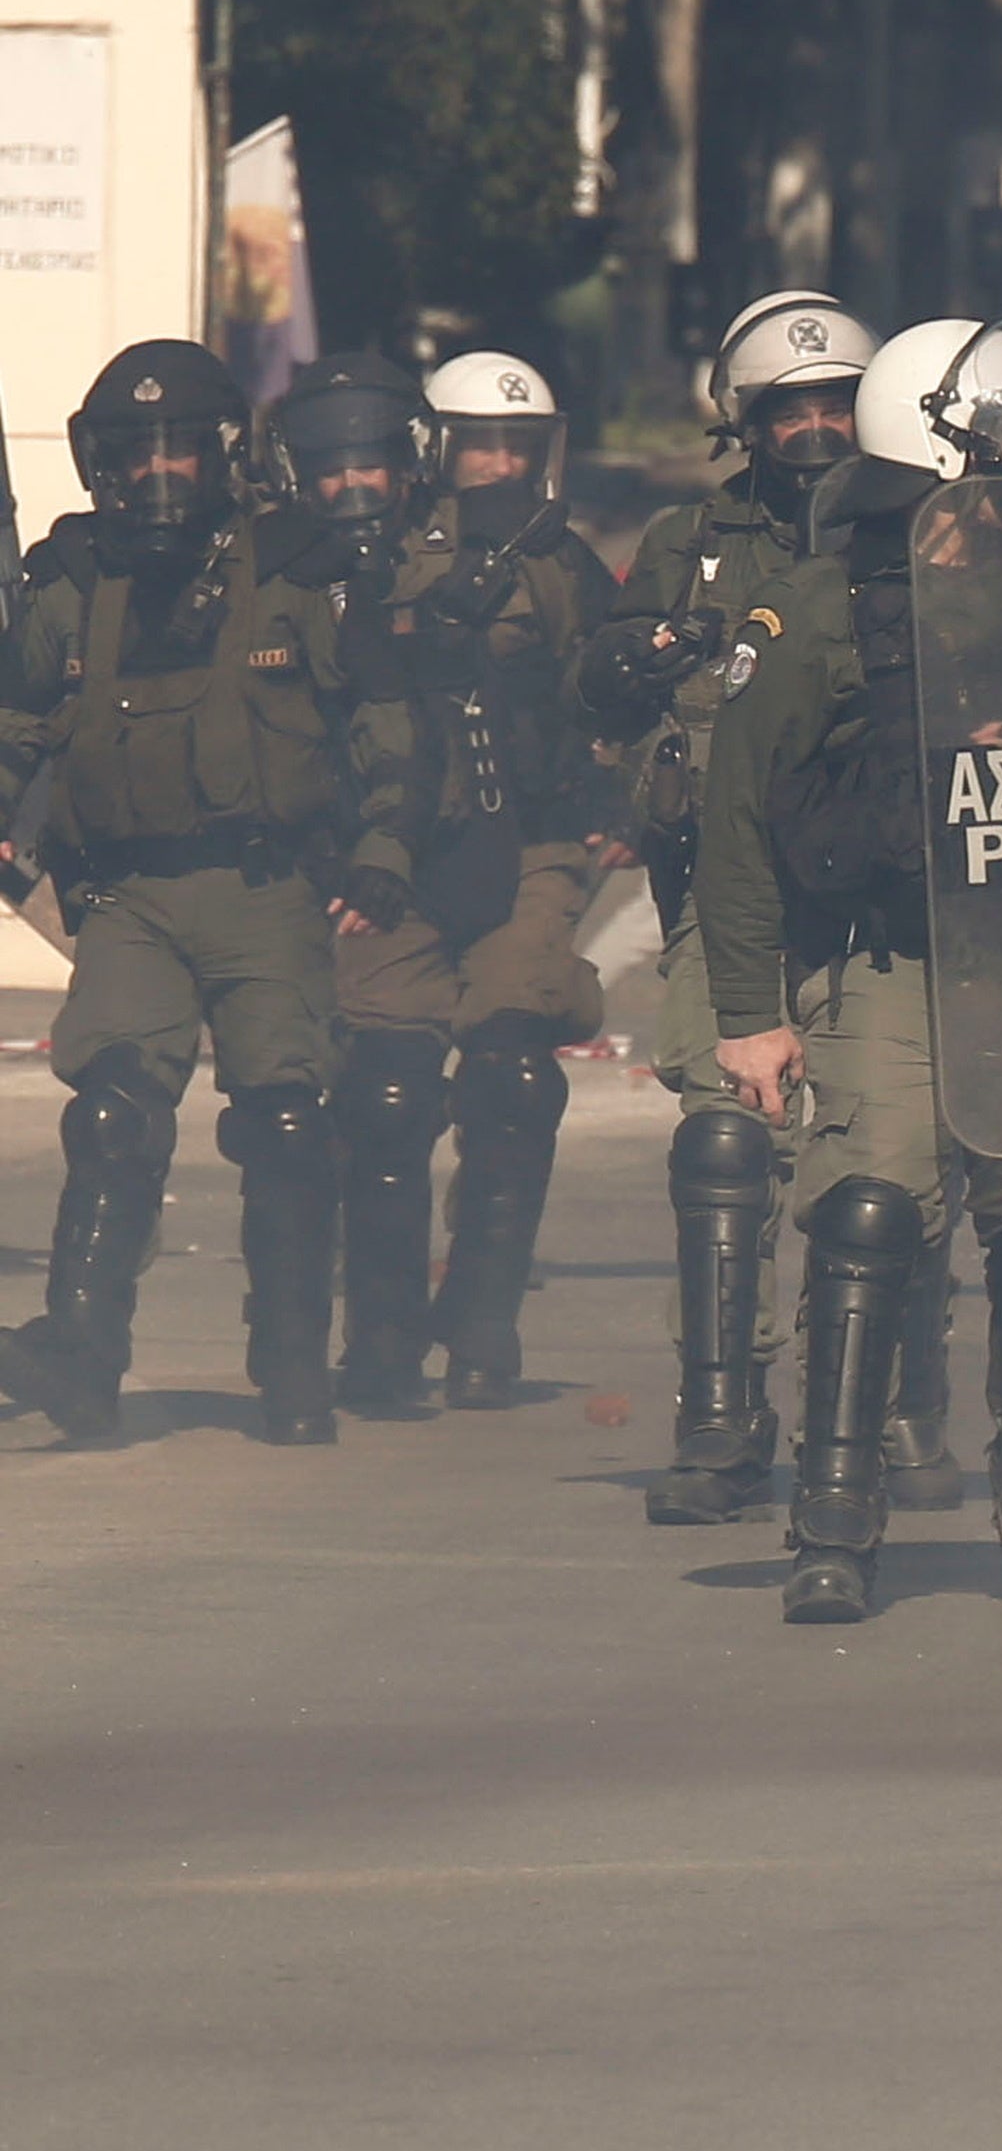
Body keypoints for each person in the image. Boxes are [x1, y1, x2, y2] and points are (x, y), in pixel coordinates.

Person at [701, 316, 1002, 1618]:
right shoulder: (816, 605)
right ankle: (835, 1515)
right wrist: (751, 1013)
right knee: (868, 1213)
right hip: (889, 955)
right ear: (934, 446)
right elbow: (736, 813)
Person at [0, 340, 406, 1446]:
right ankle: (81, 1358)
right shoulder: (73, 579)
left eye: (184, 447)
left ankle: (290, 1373)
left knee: (283, 1122)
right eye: (135, 452)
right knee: (112, 1113)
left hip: (267, 885)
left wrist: (385, 853)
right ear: (100, 464)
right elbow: (20, 719)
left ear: (231, 455)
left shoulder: (297, 566)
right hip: (129, 895)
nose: (160, 472)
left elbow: (381, 719)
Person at [580, 291, 934, 1522]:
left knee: (891, 1147)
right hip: (724, 881)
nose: (819, 427)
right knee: (728, 1137)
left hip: (888, 883)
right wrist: (637, 653)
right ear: (748, 419)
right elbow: (608, 675)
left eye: (841, 402)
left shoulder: (923, 527)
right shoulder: (692, 539)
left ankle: (893, 1397)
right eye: (793, 408)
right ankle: (721, 1413)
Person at [324, 348, 613, 1416]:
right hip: (396, 853)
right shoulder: (367, 548)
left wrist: (619, 801)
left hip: (531, 841)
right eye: (478, 443)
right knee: (387, 1093)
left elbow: (616, 681)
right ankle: (386, 1334)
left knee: (513, 1075)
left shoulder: (556, 557)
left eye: (519, 446)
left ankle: (485, 1321)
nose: (498, 465)